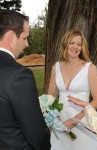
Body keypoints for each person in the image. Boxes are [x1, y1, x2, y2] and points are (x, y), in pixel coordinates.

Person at [0, 10, 50, 150]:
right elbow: (36, 133)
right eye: (24, 38)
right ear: (11, 36)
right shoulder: (19, 76)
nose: (27, 44)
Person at [48, 29, 97, 150]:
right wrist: (53, 118)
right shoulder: (56, 67)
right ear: (65, 44)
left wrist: (75, 120)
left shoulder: (90, 68)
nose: (75, 47)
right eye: (72, 43)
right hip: (61, 121)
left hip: (83, 120)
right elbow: (51, 95)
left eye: (79, 44)